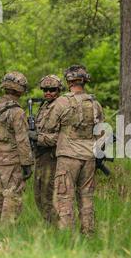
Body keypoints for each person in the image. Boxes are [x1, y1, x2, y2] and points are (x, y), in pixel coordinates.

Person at [53, 65, 104, 235]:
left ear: (68, 81)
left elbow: (49, 126)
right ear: (84, 81)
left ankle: (67, 235)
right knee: (86, 196)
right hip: (89, 156)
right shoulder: (95, 103)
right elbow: (101, 133)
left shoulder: (62, 101)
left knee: (64, 195)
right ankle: (88, 233)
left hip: (68, 156)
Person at [0, 71, 34, 223]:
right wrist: (27, 163)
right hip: (11, 162)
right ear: (20, 90)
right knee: (12, 195)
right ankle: (7, 232)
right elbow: (22, 140)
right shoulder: (17, 112)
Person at [28, 75, 70, 223]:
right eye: (45, 90)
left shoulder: (61, 106)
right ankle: (51, 226)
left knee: (48, 196)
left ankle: (57, 229)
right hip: (40, 157)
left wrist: (37, 137)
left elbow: (61, 137)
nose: (48, 93)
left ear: (58, 90)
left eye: (52, 90)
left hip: (52, 159)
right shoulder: (44, 106)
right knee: (38, 196)